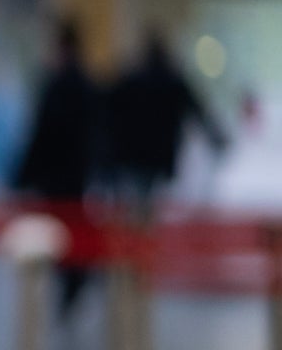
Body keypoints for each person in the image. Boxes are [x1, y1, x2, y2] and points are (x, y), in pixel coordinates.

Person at [12, 16, 102, 318]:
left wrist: (23, 173)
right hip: (76, 172)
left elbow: (42, 132)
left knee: (58, 231)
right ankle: (74, 279)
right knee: (68, 228)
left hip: (57, 174)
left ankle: (74, 277)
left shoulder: (57, 84)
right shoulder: (84, 83)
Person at [108, 26, 228, 207]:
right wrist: (216, 137)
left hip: (133, 155)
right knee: (151, 203)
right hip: (160, 155)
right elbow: (198, 111)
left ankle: (139, 229)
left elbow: (110, 112)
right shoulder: (172, 82)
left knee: (138, 201)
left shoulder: (132, 81)